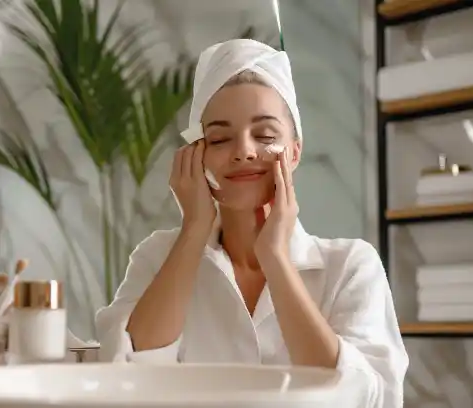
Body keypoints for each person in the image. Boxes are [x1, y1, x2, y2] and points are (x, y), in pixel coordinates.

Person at [95, 39, 408, 407]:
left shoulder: (351, 266)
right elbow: (126, 378)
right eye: (220, 137)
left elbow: (362, 399)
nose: (244, 150)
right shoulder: (157, 257)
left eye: (265, 135)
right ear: (197, 156)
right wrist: (194, 229)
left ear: (294, 152)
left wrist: (275, 258)